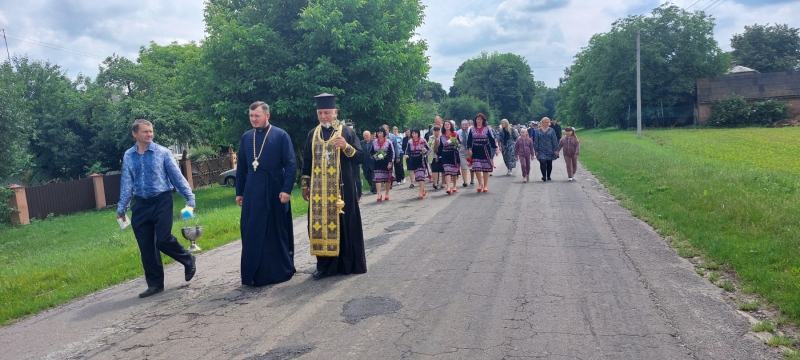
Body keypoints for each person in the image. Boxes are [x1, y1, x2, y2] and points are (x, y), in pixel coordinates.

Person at [117, 119, 197, 298]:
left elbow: (177, 177)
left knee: (163, 240)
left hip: (162, 200)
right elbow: (127, 183)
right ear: (135, 134)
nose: (149, 134)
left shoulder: (163, 152)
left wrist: (190, 199)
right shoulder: (129, 155)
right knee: (146, 246)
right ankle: (155, 284)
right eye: (145, 132)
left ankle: (188, 258)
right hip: (141, 204)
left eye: (151, 131)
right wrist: (122, 207)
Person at [301, 93, 366, 280]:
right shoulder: (312, 135)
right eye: (320, 113)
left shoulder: (346, 132)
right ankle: (324, 266)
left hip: (342, 190)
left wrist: (346, 146)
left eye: (327, 113)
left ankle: (346, 264)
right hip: (318, 193)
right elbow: (306, 162)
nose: (323, 116)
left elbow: (360, 157)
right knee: (319, 226)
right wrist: (305, 186)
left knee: (344, 226)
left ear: (335, 112)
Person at [235, 102, 296, 286]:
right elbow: (243, 167)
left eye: (257, 116)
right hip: (253, 190)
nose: (253, 119)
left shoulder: (280, 135)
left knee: (274, 231)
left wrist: (286, 189)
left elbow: (291, 163)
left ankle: (278, 271)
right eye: (251, 116)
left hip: (274, 189)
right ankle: (254, 273)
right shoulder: (246, 137)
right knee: (251, 230)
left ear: (267, 116)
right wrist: (240, 191)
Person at [467, 113, 499, 193]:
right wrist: (469, 148)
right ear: (475, 120)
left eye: (480, 119)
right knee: (477, 167)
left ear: (483, 120)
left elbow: (491, 139)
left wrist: (495, 148)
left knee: (485, 168)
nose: (479, 121)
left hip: (485, 149)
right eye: (477, 119)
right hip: (476, 149)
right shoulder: (472, 129)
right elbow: (469, 140)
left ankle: (485, 185)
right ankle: (480, 184)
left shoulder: (487, 129)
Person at [404, 128, 430, 200]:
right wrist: (406, 155)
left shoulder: (423, 140)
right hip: (413, 161)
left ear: (418, 134)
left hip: (421, 160)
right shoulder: (410, 142)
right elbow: (407, 151)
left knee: (421, 176)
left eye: (415, 133)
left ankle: (420, 192)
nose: (414, 135)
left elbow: (429, 150)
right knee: (418, 178)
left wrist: (425, 151)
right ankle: (423, 189)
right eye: (413, 133)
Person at [371, 127, 395, 201]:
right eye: (378, 133)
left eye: (381, 133)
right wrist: (373, 156)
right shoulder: (374, 142)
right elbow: (371, 152)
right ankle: (379, 194)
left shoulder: (388, 142)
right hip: (377, 163)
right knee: (377, 179)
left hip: (387, 162)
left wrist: (390, 162)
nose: (379, 134)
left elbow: (392, 153)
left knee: (387, 179)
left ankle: (387, 193)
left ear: (384, 133)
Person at [438, 120, 461, 194]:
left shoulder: (455, 134)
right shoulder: (442, 137)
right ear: (444, 127)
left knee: (454, 172)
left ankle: (454, 186)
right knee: (447, 171)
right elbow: (440, 147)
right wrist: (438, 155)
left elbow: (459, 145)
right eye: (445, 125)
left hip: (454, 154)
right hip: (445, 155)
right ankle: (448, 187)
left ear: (451, 126)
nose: (447, 126)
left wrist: (457, 143)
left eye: (448, 124)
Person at [534, 117, 560, 182]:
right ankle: (544, 176)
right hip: (541, 149)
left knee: (549, 162)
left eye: (548, 122)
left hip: (550, 149)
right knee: (542, 161)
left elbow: (554, 140)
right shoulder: (538, 131)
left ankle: (548, 175)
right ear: (542, 123)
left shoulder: (551, 130)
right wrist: (536, 150)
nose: (547, 123)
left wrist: (556, 149)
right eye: (546, 122)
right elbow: (536, 141)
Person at [346, 123, 362, 202]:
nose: (351, 130)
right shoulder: (344, 138)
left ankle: (359, 195)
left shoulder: (356, 138)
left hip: (355, 162)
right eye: (349, 129)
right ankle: (352, 196)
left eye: (352, 129)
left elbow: (359, 152)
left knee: (357, 180)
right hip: (347, 163)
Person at [456, 120, 472, 187]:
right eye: (463, 125)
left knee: (471, 166)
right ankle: (465, 181)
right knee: (463, 166)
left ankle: (472, 179)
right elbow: (457, 141)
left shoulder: (470, 131)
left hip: (469, 150)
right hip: (462, 150)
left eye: (466, 125)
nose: (464, 126)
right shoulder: (458, 132)